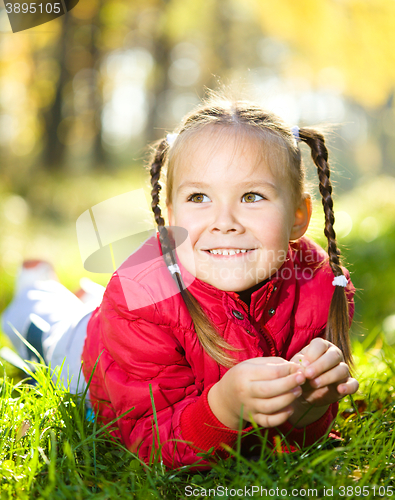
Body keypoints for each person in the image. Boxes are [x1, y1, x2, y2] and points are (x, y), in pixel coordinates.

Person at [2, 95, 358, 470]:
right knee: (48, 334)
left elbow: (288, 438)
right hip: (90, 358)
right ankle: (35, 289)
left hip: (133, 331)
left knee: (104, 313)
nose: (225, 221)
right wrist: (223, 407)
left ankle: (89, 301)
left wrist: (305, 408)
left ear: (299, 215)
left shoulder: (317, 284)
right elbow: (148, 442)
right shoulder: (140, 294)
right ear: (171, 217)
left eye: (252, 196)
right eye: (199, 197)